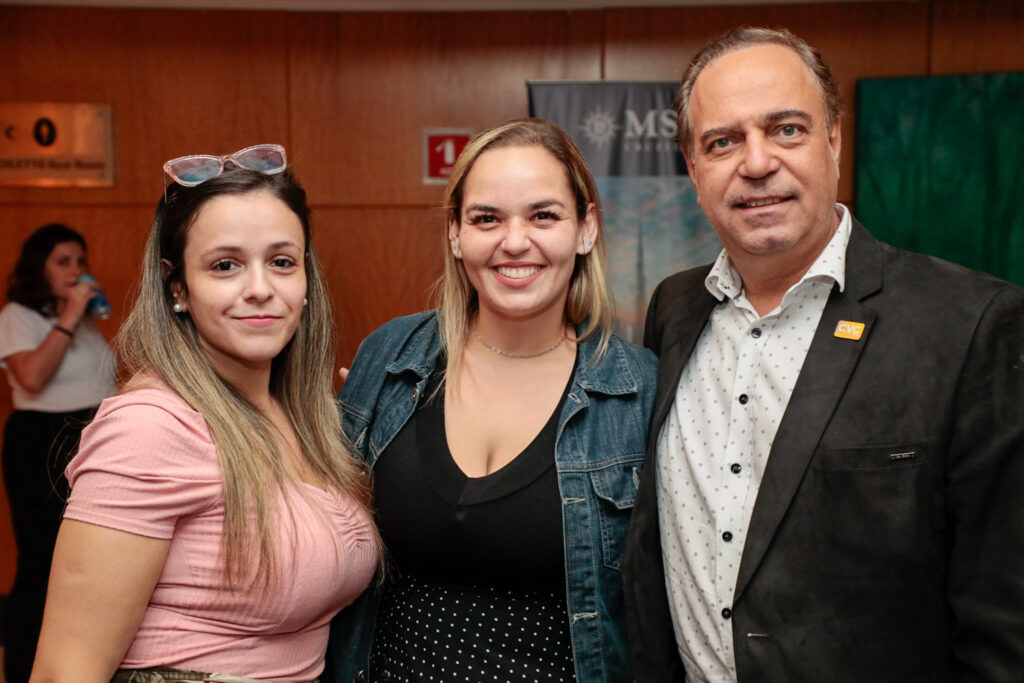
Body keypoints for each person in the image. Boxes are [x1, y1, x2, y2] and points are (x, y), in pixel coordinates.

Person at [622, 26, 1024, 681]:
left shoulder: (971, 323)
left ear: (833, 139)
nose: (756, 163)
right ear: (694, 170)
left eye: (785, 129)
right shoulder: (676, 309)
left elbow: (1006, 619)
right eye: (722, 142)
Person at [30, 145, 380, 683]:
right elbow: (64, 670)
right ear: (178, 288)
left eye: (282, 262)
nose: (260, 288)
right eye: (225, 265)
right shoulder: (150, 427)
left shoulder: (307, 419)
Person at [325, 118, 657, 682]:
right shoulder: (390, 356)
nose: (514, 241)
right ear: (456, 233)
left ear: (586, 228)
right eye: (486, 218)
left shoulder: (637, 391)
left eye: (543, 215)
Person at [0, 223, 115, 683]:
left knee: (85, 562)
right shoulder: (18, 315)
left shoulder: (82, 318)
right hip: (41, 440)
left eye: (80, 261)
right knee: (43, 561)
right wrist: (68, 316)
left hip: (87, 437)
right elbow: (30, 378)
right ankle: (27, 670)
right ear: (39, 269)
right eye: (63, 262)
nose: (76, 270)